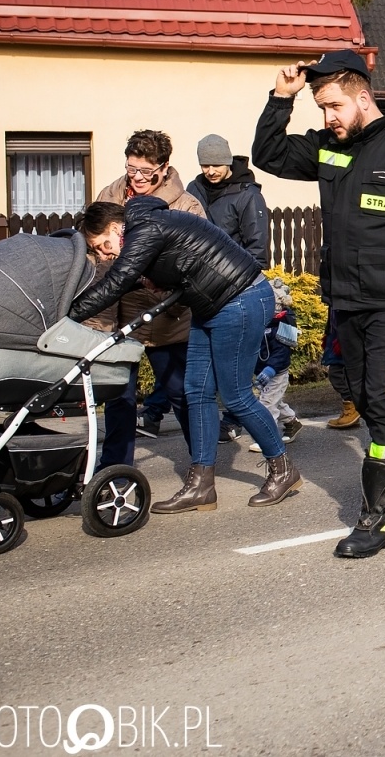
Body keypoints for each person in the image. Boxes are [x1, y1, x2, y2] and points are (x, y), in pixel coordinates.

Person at [253, 49, 385, 559]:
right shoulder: (327, 147)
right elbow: (268, 155)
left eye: (334, 105)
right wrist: (281, 99)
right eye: (321, 108)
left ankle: (377, 521)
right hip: (347, 302)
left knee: (382, 405)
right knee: (366, 400)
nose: (328, 117)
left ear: (363, 97)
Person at [70, 198, 300, 512]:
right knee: (196, 392)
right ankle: (201, 486)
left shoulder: (144, 229)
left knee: (236, 396)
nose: (103, 253)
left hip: (240, 299)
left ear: (113, 227)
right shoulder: (145, 229)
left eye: (101, 245)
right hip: (210, 305)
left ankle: (282, 469)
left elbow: (116, 282)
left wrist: (67, 316)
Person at [92, 130, 204, 458]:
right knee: (119, 397)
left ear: (164, 168)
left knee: (181, 394)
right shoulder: (109, 198)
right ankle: (115, 471)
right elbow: (96, 257)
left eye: (146, 171)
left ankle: (202, 465)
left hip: (167, 316)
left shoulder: (187, 206)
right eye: (131, 169)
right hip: (120, 314)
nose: (137, 178)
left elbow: (197, 266)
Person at [186, 134, 270, 266]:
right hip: (196, 270)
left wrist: (249, 278)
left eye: (217, 165)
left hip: (233, 271)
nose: (211, 171)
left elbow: (256, 246)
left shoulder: (247, 194)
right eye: (205, 165)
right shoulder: (194, 188)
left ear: (228, 162)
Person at [245, 276, 302, 449]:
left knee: (267, 404)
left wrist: (270, 370)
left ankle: (267, 439)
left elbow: (282, 353)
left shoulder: (284, 325)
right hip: (261, 371)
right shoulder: (259, 324)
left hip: (276, 373)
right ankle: (292, 422)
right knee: (273, 400)